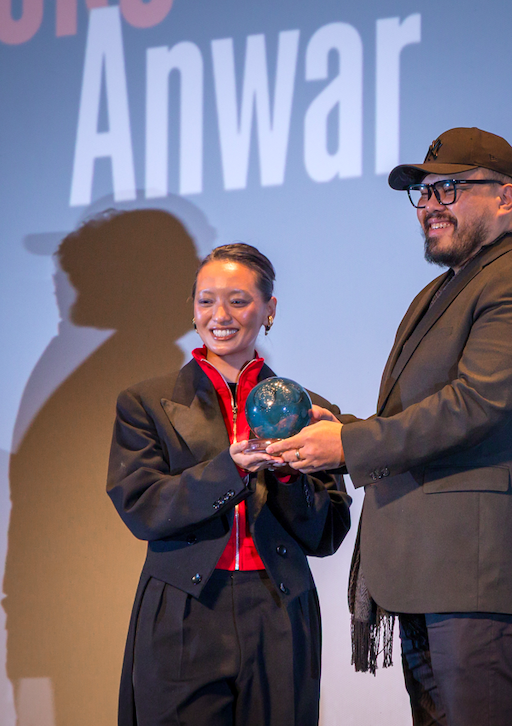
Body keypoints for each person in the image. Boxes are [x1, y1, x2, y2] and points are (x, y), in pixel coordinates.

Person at [267, 127, 512, 725]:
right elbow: (419, 419)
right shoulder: (443, 291)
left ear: (506, 197)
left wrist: (350, 444)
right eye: (424, 193)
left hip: (477, 578)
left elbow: (474, 405)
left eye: (449, 189)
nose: (429, 206)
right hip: (435, 575)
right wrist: (342, 430)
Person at [107, 243, 352, 726]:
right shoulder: (145, 404)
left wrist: (288, 471)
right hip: (184, 608)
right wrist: (231, 469)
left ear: (268, 309)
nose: (220, 316)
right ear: (193, 308)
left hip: (279, 609)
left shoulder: (311, 412)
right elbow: (143, 506)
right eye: (206, 301)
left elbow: (325, 534)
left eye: (238, 301)